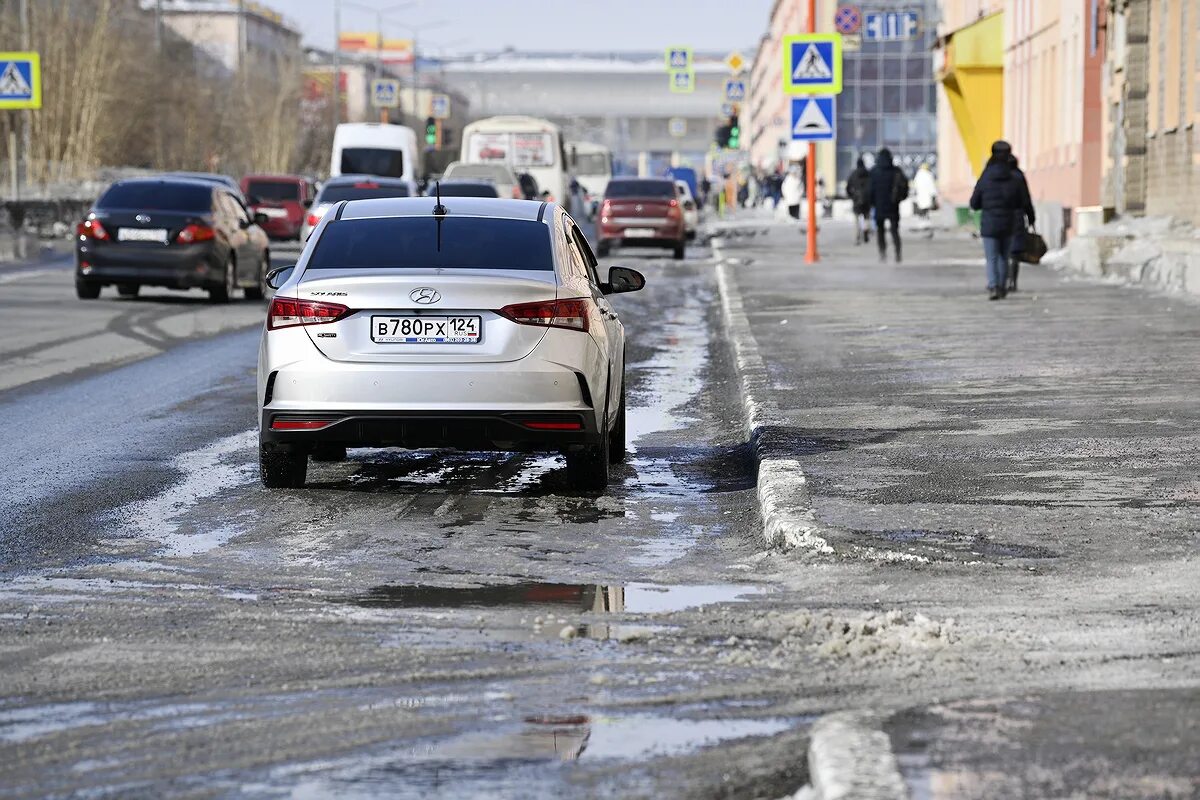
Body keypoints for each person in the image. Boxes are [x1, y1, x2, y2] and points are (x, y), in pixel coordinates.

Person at [969, 140, 1035, 300]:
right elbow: (1025, 201)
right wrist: (1031, 218)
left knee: (991, 257)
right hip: (1009, 222)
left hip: (990, 223)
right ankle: (1002, 286)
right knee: (1004, 256)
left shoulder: (986, 176)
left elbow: (974, 202)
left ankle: (993, 286)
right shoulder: (1015, 177)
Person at [868, 147, 908, 262]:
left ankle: (882, 253)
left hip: (879, 206)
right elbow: (904, 186)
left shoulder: (874, 172)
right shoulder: (896, 171)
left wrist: (871, 203)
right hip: (893, 206)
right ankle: (898, 254)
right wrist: (900, 199)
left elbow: (870, 190)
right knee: (894, 230)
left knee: (880, 231)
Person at [1005, 154, 1035, 292]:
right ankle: (1013, 281)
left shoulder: (996, 176)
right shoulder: (1018, 176)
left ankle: (1002, 280)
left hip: (1000, 217)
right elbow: (1026, 199)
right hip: (1017, 216)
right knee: (1015, 252)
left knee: (1003, 250)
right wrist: (1031, 217)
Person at [846, 156, 872, 245]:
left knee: (856, 219)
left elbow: (848, 187)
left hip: (856, 199)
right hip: (867, 200)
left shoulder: (853, 174)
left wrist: (852, 196)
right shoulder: (868, 173)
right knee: (866, 217)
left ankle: (857, 237)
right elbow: (872, 187)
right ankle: (866, 230)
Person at [912, 163, 938, 236]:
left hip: (921, 195)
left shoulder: (918, 175)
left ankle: (922, 223)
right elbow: (932, 186)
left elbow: (915, 185)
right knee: (926, 210)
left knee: (921, 209)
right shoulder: (929, 175)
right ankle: (926, 223)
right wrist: (934, 195)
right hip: (927, 195)